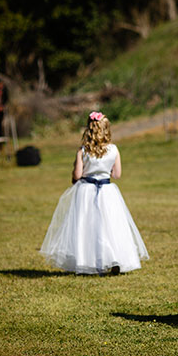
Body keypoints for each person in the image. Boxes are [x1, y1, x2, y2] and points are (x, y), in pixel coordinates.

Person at [40, 111, 148, 275]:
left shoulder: (83, 151)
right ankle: (114, 258)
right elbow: (117, 174)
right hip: (107, 192)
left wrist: (78, 171)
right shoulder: (113, 149)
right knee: (110, 226)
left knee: (87, 226)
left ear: (89, 129)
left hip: (86, 191)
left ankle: (87, 261)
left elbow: (77, 175)